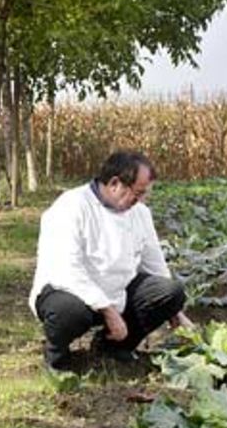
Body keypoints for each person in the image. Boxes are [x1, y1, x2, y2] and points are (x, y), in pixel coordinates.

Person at [30, 149, 193, 371]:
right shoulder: (71, 206)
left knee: (171, 291)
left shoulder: (140, 213)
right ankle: (57, 355)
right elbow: (67, 270)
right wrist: (108, 310)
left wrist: (175, 311)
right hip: (69, 293)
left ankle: (112, 347)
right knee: (68, 312)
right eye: (137, 193)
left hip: (118, 294)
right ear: (115, 183)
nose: (140, 200)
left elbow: (154, 264)